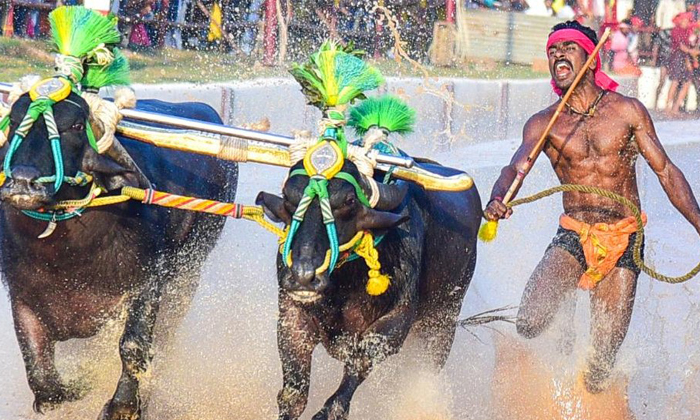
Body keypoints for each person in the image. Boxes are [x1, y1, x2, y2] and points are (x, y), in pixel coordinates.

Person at [483, 20, 700, 393]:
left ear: (590, 56)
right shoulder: (544, 124)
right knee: (530, 322)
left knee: (600, 367)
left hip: (624, 238)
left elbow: (665, 170)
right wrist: (498, 197)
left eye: (567, 48)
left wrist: (699, 223)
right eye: (553, 50)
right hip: (575, 232)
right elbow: (515, 167)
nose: (558, 56)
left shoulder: (627, 111)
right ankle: (564, 317)